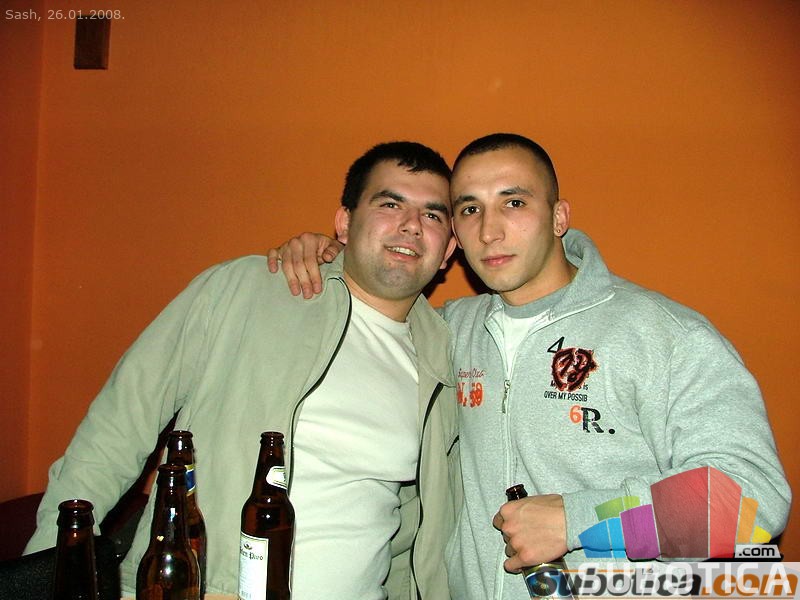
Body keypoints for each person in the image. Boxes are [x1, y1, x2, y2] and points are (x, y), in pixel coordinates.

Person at [268, 133, 791, 600]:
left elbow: (749, 503)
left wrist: (579, 521)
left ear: (559, 217)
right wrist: (328, 255)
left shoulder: (664, 336)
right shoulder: (447, 331)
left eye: (513, 202)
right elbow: (374, 297)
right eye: (469, 209)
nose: (490, 231)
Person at [25, 141, 461, 600]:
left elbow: (416, 526)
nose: (411, 224)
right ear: (345, 223)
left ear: (448, 249)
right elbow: (114, 433)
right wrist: (40, 581)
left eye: (433, 215)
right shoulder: (245, 289)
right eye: (390, 204)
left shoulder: (445, 359)